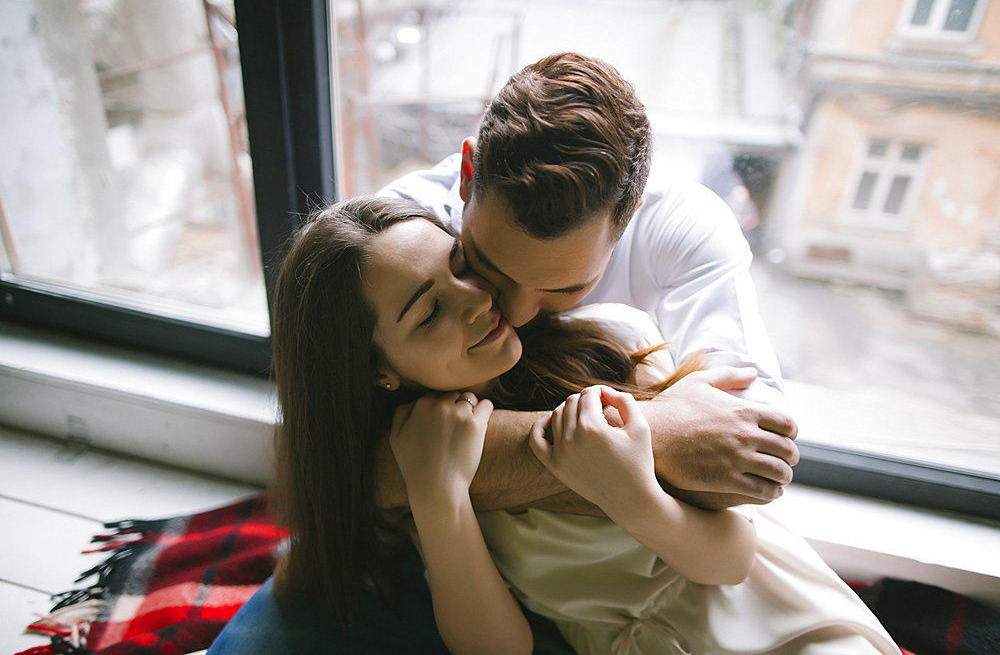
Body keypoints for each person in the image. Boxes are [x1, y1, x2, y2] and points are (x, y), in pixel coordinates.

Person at [208, 197, 898, 654]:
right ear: (377, 372)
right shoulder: (422, 461)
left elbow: (731, 558)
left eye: (459, 265)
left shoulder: (610, 340)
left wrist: (629, 490)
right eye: (428, 312)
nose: (476, 301)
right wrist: (441, 497)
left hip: (771, 622)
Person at [375, 52, 798, 519]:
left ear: (632, 212)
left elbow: (753, 462)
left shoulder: (683, 228)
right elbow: (365, 468)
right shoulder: (396, 235)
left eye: (563, 288)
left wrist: (481, 460)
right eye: (484, 265)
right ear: (467, 174)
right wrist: (659, 433)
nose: (513, 315)